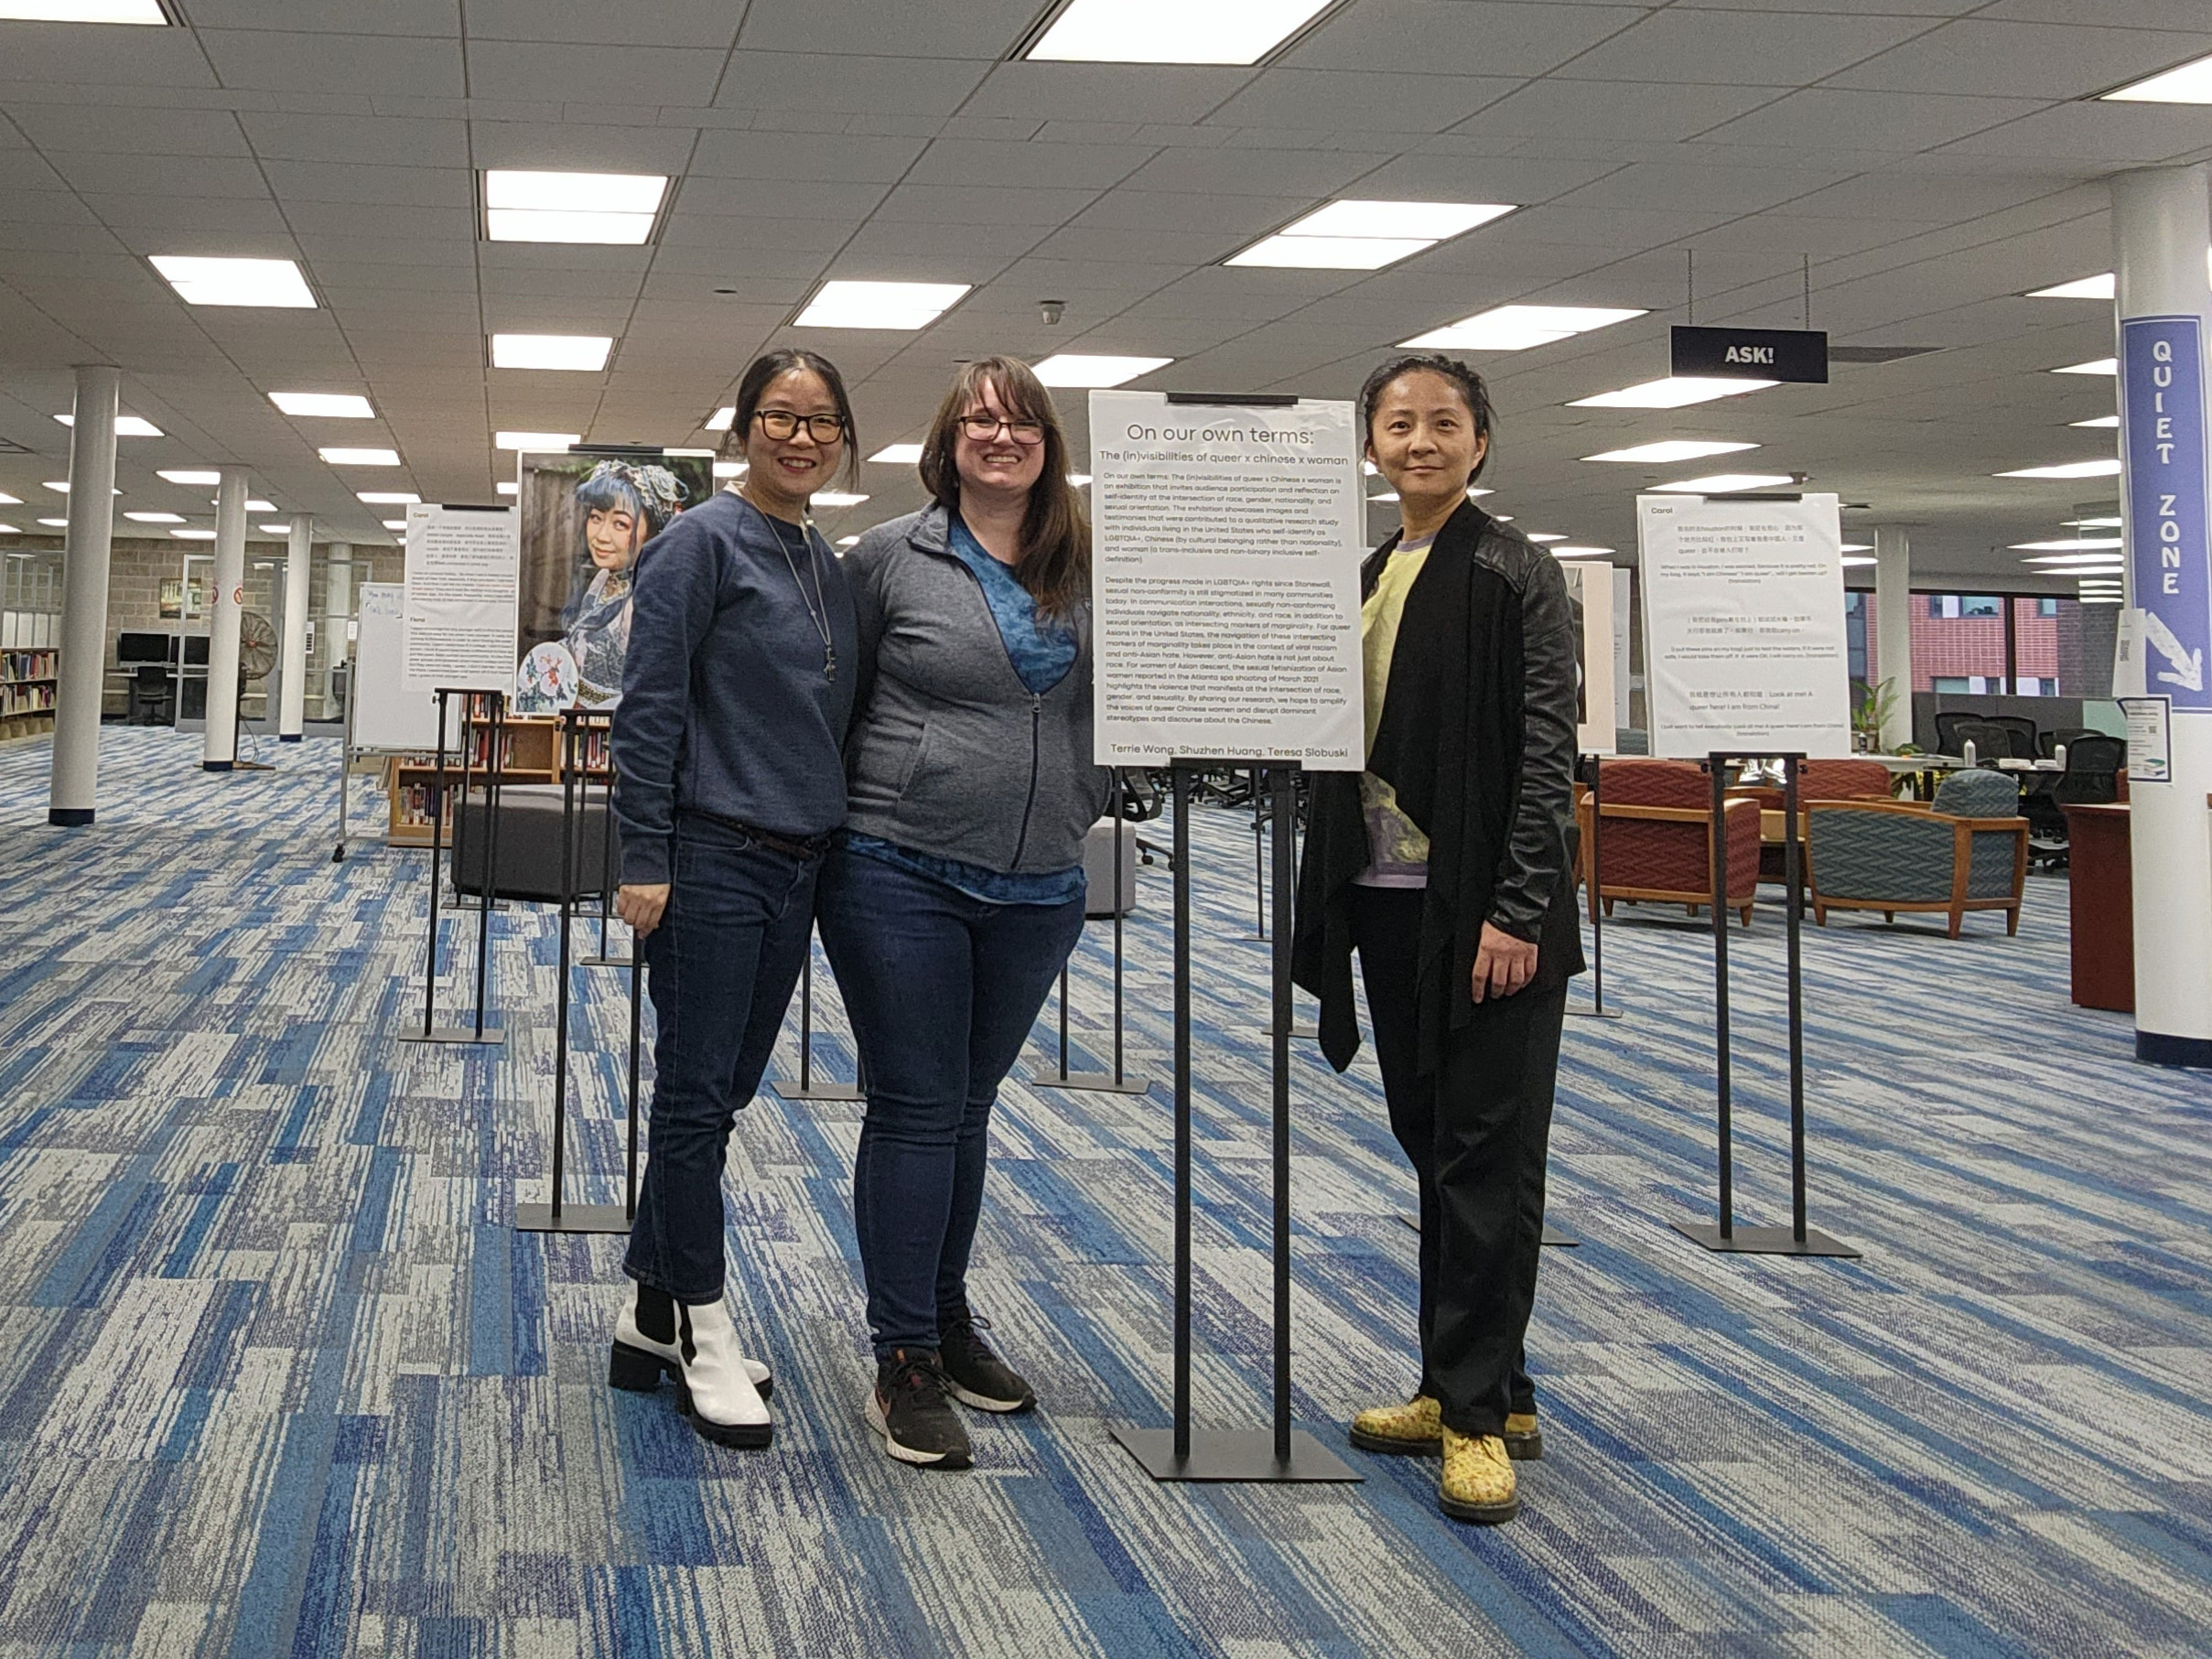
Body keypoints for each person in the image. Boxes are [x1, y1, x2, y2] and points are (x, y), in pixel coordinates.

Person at [1291, 352, 1583, 1525]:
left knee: (1482, 1154)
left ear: (1478, 442)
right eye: (1398, 424)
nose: (1420, 441)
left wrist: (1516, 908)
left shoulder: (1515, 571)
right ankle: (1483, 1381)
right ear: (1370, 444)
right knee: (1439, 1144)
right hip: (1384, 899)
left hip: (1481, 914)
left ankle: (1469, 1417)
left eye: (1443, 423)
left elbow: (1545, 755)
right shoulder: (1369, 569)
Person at [817, 356, 1107, 1470]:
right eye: (978, 420)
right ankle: (902, 1357)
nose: (999, 435)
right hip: (900, 866)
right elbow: (827, 703)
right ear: (946, 443)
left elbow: (1121, 700)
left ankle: (943, 1317)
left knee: (970, 1104)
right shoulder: (890, 556)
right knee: (917, 1102)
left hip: (1039, 880)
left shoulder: (1086, 562)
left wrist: (1092, 794)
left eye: (1020, 420)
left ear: (1047, 442)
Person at [606, 349, 861, 1449]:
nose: (798, 438)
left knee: (728, 1089)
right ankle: (705, 1329)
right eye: (778, 416)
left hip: (798, 864)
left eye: (819, 422)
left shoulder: (824, 559)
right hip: (709, 857)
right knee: (696, 1098)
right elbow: (647, 707)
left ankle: (647, 1308)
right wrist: (641, 854)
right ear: (742, 425)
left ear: (842, 439)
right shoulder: (698, 544)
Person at [562, 459, 688, 708]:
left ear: (653, 533)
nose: (601, 536)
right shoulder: (604, 577)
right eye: (596, 517)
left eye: (620, 524)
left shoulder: (649, 600)